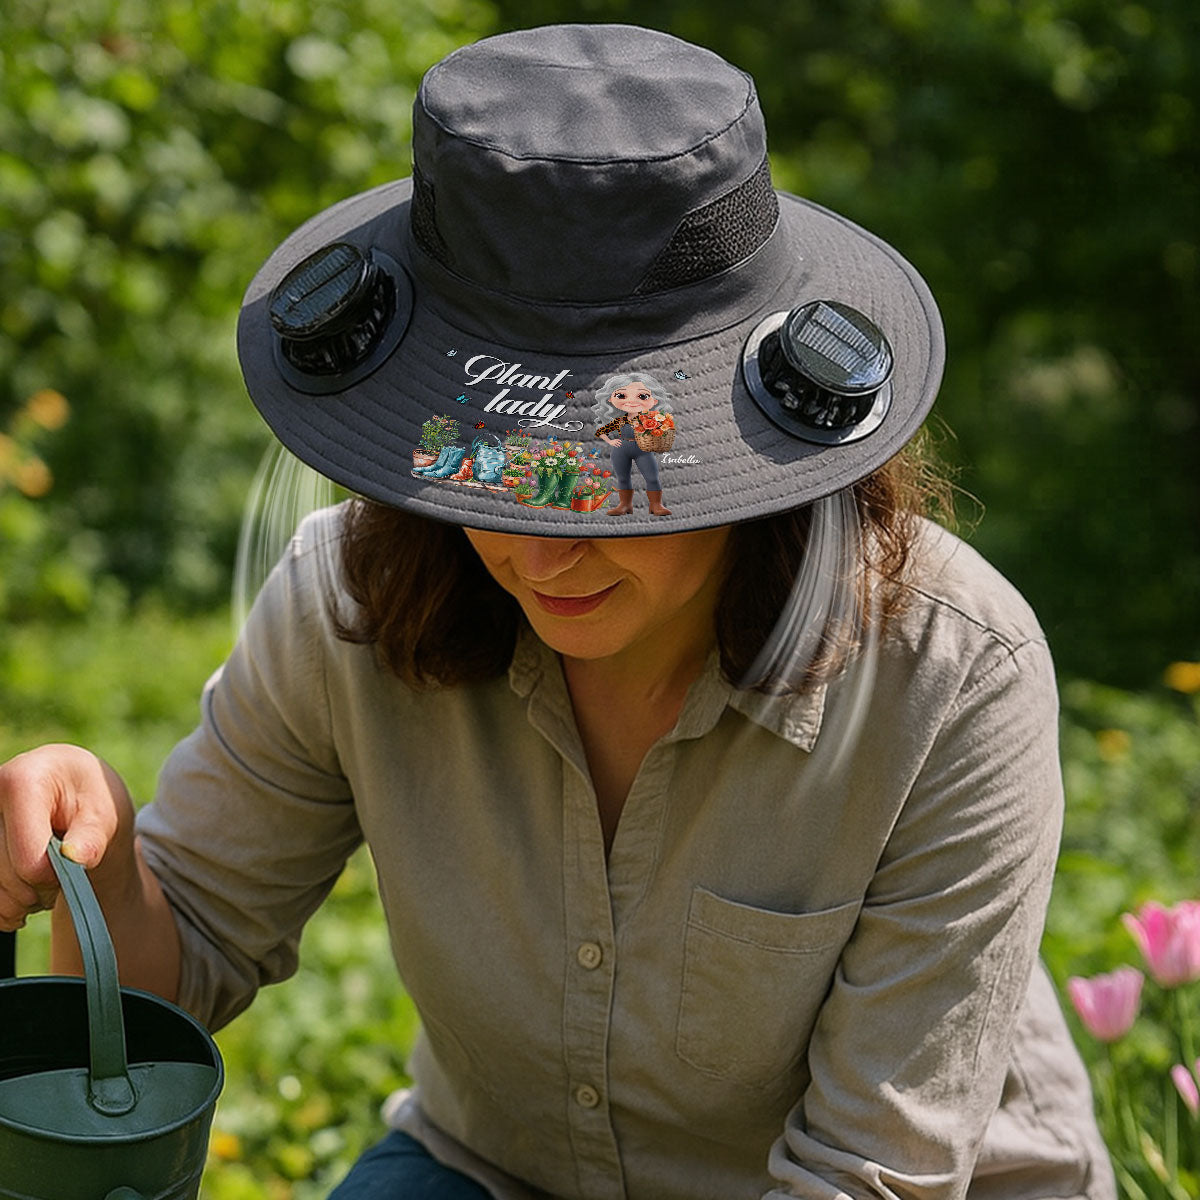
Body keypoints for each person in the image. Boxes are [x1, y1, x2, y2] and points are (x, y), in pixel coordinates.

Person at [0, 24, 1116, 1200]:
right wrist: (104, 862)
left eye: (612, 485)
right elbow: (174, 977)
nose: (538, 551)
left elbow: (865, 1174)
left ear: (756, 457)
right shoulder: (351, 602)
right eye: (490, 471)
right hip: (500, 1167)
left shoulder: (952, 672)